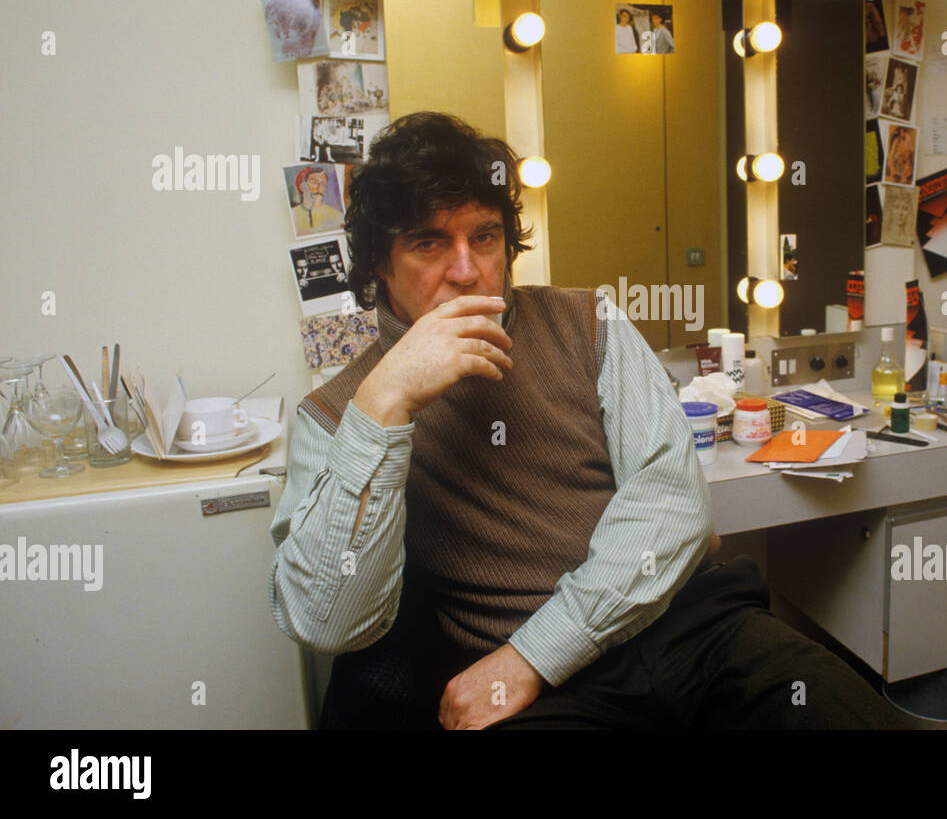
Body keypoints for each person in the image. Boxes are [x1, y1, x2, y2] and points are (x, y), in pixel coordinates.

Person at [268, 112, 880, 729]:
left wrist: (536, 654)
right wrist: (384, 404)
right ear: (378, 261)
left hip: (689, 628)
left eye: (484, 237)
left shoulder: (590, 322)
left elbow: (673, 506)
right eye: (429, 243)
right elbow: (327, 620)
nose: (466, 269)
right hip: (542, 692)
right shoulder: (337, 414)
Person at [292, 167, 343, 236]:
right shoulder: (293, 214)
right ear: (303, 186)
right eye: (314, 182)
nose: (319, 188)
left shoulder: (337, 216)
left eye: (323, 184)